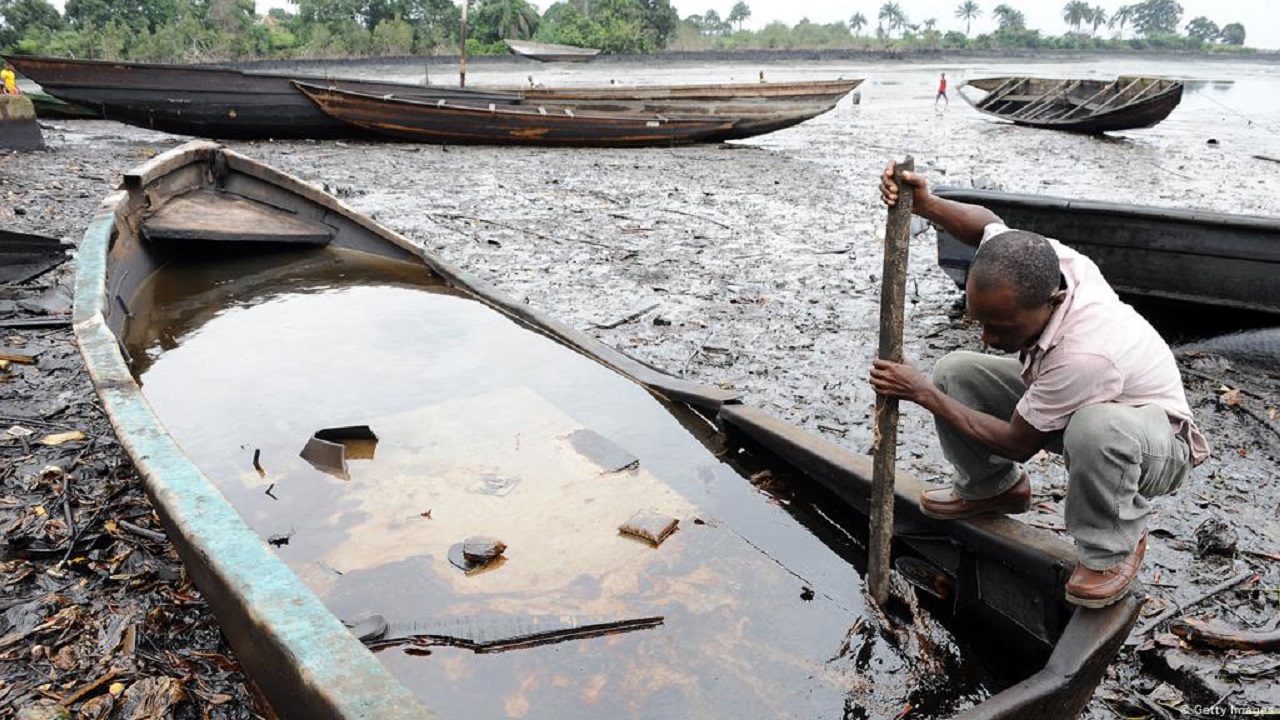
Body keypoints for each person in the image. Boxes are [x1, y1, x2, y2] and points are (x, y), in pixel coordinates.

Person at [871, 162, 1208, 608]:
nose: (988, 339)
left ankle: (1112, 549)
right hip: (1085, 404)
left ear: (1053, 303)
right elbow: (988, 228)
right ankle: (991, 488)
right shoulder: (1046, 262)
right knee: (956, 370)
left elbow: (1016, 442)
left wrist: (920, 394)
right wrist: (927, 203)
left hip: (1155, 443)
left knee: (1097, 428)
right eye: (981, 322)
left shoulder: (1085, 355)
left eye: (1001, 327)